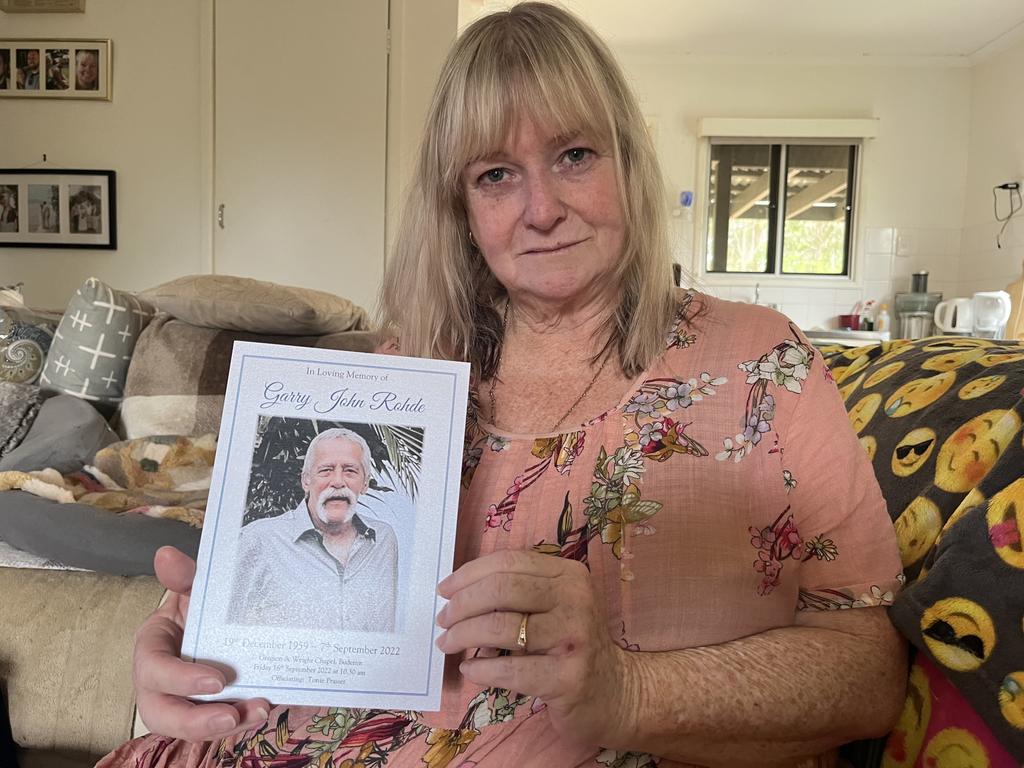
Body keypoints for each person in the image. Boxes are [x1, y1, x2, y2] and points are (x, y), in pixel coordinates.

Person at [101, 4, 906, 767]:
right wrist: (191, 648)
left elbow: (868, 675)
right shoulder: (396, 376)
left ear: (629, 160)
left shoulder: (760, 361)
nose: (541, 209)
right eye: (495, 174)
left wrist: (629, 692)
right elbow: (286, 600)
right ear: (460, 208)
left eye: (575, 156)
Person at [227, 427, 398, 631]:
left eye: (350, 471)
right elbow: (227, 626)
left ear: (364, 484)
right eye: (325, 470)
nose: (337, 482)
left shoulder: (383, 540)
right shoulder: (258, 539)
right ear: (306, 481)